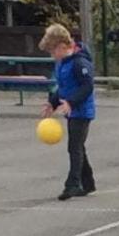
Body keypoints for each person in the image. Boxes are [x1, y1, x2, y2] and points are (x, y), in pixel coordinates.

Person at [41, 22, 96, 199]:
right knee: (78, 146)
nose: (52, 55)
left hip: (82, 111)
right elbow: (63, 88)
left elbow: (87, 86)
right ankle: (88, 183)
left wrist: (71, 103)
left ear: (63, 46)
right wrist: (53, 102)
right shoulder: (62, 63)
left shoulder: (80, 62)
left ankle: (72, 185)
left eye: (53, 51)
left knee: (74, 147)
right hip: (70, 109)